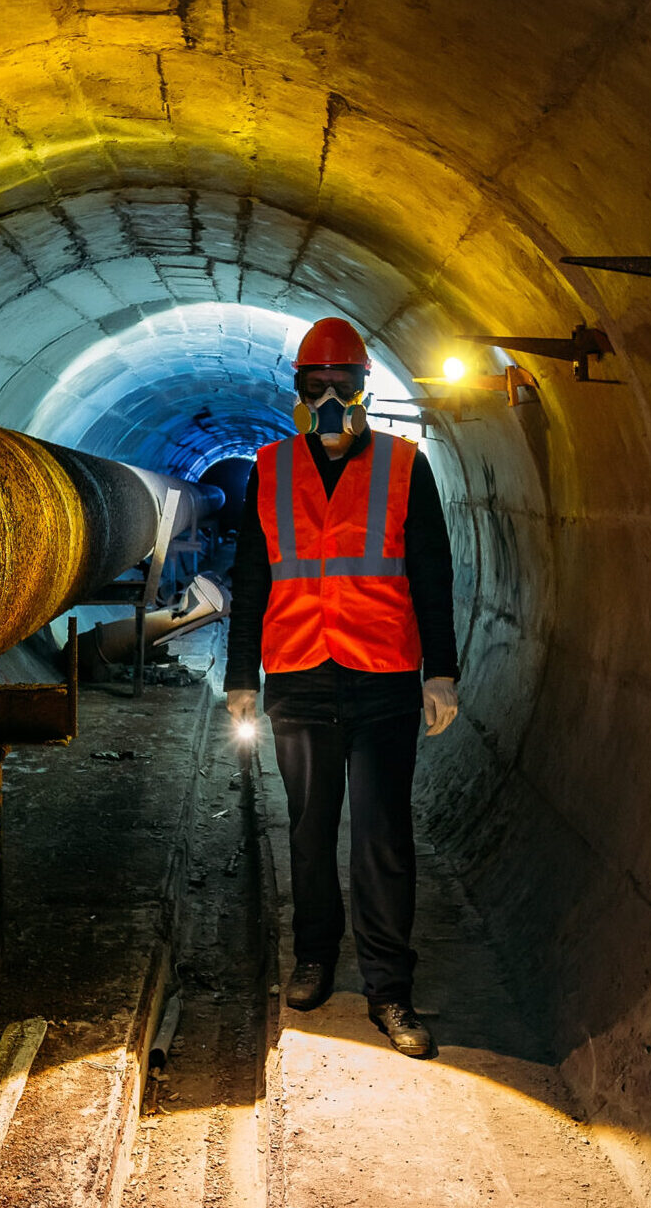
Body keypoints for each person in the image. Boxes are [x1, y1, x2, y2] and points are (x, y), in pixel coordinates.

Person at [224, 316, 460, 1058]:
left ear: (365, 388)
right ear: (297, 391)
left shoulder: (403, 464)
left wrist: (441, 671)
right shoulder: (271, 467)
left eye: (344, 384)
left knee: (383, 837)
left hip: (383, 678)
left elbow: (431, 572)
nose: (330, 397)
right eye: (315, 386)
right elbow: (252, 577)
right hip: (297, 674)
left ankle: (389, 989)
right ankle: (315, 956)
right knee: (308, 829)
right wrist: (239, 678)